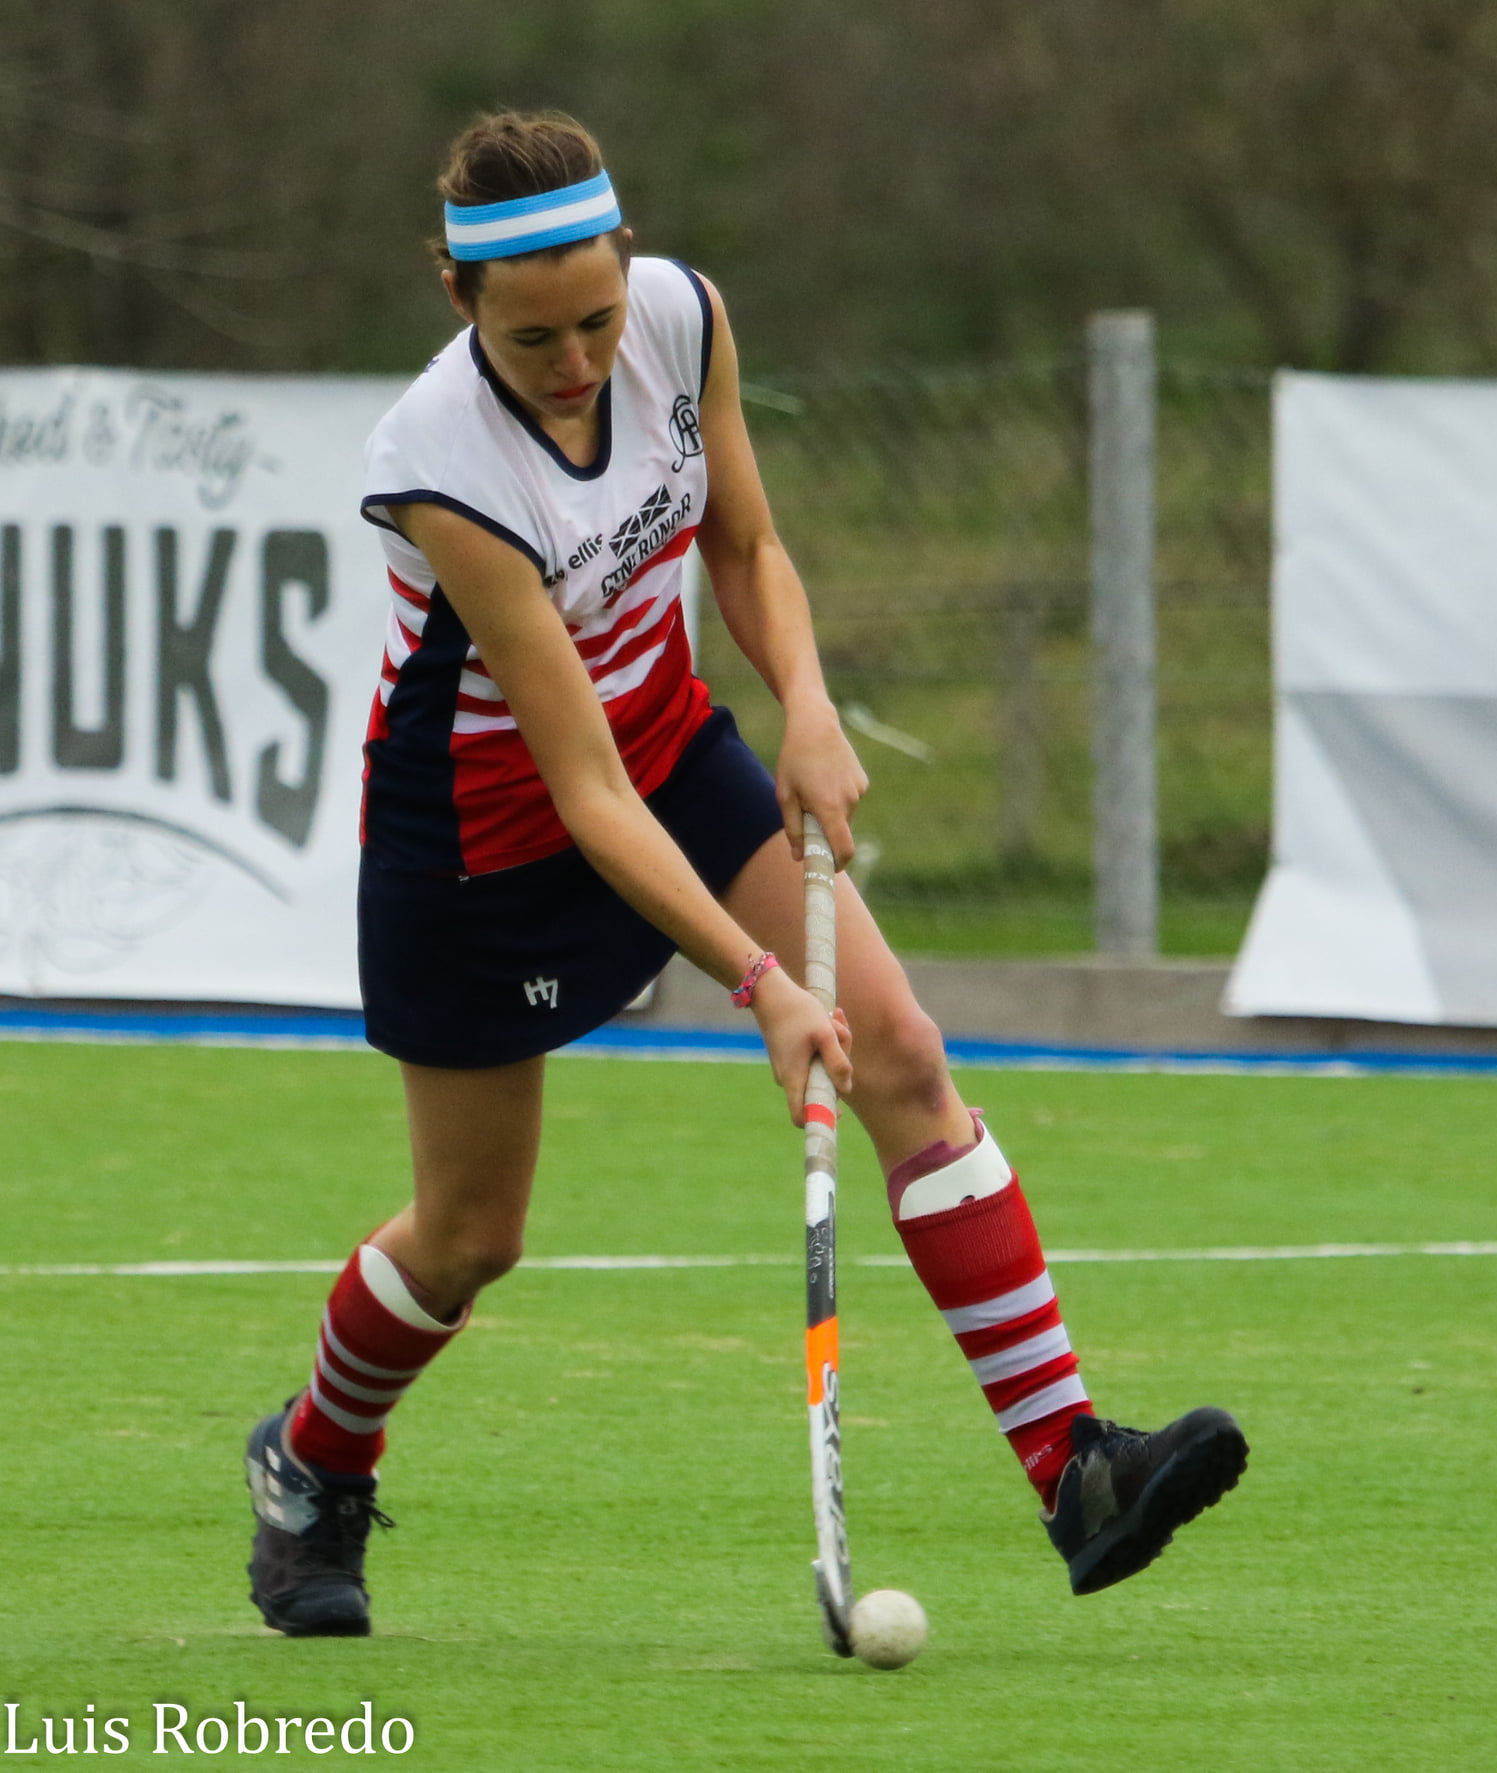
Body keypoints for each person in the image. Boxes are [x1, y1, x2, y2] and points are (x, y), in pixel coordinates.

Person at [244, 109, 1248, 1638]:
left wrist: (811, 704)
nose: (578, 361)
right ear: (457, 300)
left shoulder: (682, 318)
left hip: (669, 743)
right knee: (469, 1234)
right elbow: (579, 787)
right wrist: (761, 982)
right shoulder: (435, 464)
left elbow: (747, 545)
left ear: (627, 263)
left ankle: (1073, 1464)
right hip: (481, 833)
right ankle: (313, 1461)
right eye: (532, 339)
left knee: (902, 1052)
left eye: (595, 319)